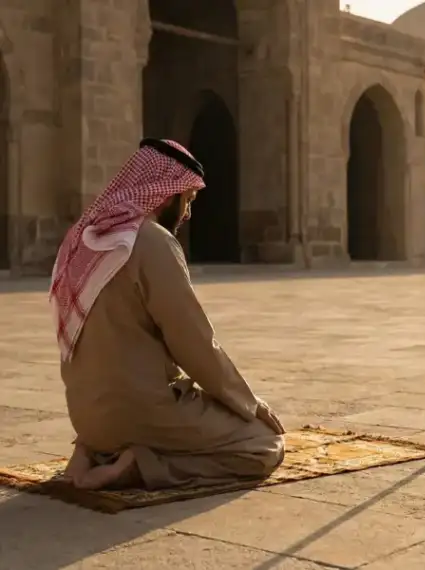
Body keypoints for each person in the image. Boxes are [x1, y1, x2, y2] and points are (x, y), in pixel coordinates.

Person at [49, 138, 286, 491]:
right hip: (140, 411)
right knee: (263, 444)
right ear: (166, 191)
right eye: (187, 199)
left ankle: (95, 451)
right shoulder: (151, 242)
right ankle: (139, 466)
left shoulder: (81, 239)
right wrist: (248, 403)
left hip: (84, 416)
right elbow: (194, 344)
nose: (188, 214)